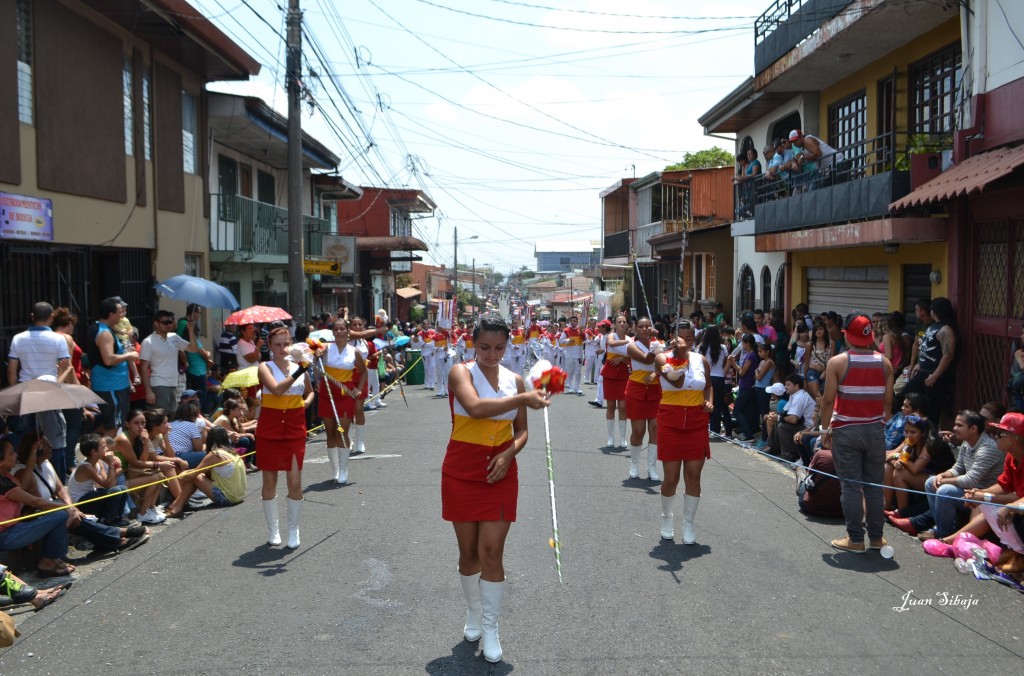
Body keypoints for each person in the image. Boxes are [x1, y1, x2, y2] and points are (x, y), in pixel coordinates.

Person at [442, 314, 549, 664]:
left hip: (501, 471)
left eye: (500, 347)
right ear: (473, 343)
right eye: (485, 347)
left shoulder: (515, 379)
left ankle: (491, 626)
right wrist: (524, 398)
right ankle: (473, 613)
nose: (492, 354)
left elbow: (522, 431)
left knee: (491, 552)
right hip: (461, 469)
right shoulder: (461, 372)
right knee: (468, 552)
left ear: (509, 345)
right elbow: (473, 408)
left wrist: (508, 452)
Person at [820, 314, 894, 554]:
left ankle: (855, 539)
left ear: (846, 335)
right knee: (874, 486)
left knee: (851, 487)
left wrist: (824, 430)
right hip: (875, 430)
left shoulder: (837, 362)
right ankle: (876, 538)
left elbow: (829, 400)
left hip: (846, 429)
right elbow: (888, 405)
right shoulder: (885, 363)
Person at [891, 410, 1005, 539]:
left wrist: (944, 481)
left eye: (959, 425)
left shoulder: (987, 449)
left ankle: (944, 534)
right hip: (968, 490)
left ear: (973, 428)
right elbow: (958, 467)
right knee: (931, 482)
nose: (954, 428)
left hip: (980, 494)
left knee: (945, 490)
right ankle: (937, 527)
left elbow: (970, 480)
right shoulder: (967, 442)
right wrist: (943, 475)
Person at [654, 321, 713, 544]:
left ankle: (689, 524)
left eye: (690, 339)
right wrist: (678, 355)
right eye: (681, 338)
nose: (686, 343)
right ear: (672, 337)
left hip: (697, 422)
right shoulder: (662, 358)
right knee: (671, 477)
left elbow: (707, 386)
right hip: (670, 421)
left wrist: (709, 402)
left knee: (693, 475)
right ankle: (666, 519)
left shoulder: (701, 360)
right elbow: (676, 382)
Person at [257, 326, 315, 548]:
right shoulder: (265, 367)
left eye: (286, 343)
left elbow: (309, 391)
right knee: (269, 481)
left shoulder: (299, 366)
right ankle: (273, 529)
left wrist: (306, 403)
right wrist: (300, 370)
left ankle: (294, 529)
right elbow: (277, 390)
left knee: (294, 480)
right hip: (269, 431)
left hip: (294, 430)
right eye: (278, 344)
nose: (283, 348)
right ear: (270, 346)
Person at [0, 437, 77, 577]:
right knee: (60, 514)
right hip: (6, 535)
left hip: (15, 527)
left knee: (60, 511)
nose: (15, 455)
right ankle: (48, 561)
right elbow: (35, 501)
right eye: (11, 453)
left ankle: (53, 558)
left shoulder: (7, 477)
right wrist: (67, 507)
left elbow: (23, 486)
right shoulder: (2, 484)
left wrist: (31, 461)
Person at [962, 413, 1024, 574]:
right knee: (988, 505)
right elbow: (1004, 485)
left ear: (1013, 439)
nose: (995, 437)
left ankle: (1021, 556)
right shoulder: (1011, 457)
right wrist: (980, 493)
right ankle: (1014, 552)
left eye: (1000, 434)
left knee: (1009, 511)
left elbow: (1019, 496)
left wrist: (989, 497)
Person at [6, 301, 72, 450]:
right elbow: (65, 367)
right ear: (52, 316)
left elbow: (11, 371)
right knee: (54, 439)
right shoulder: (58, 339)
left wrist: (14, 392)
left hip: (25, 389)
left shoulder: (18, 338)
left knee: (24, 436)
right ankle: (55, 470)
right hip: (48, 390)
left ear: (32, 316)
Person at [317, 319, 367, 485]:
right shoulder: (326, 348)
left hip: (345, 395)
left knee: (342, 431)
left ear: (347, 332)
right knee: (330, 433)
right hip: (327, 394)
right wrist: (314, 352)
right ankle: (335, 469)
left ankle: (344, 469)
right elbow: (313, 349)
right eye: (336, 329)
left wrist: (359, 389)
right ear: (333, 332)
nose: (339, 332)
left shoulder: (354, 351)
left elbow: (363, 371)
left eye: (342, 329)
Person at [164, 427, 247, 518]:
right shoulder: (232, 452)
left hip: (228, 498)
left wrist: (181, 475)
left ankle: (176, 508)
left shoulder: (215, 454)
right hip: (239, 496)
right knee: (199, 476)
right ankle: (176, 506)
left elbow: (193, 475)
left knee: (195, 477)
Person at [905, 297, 957, 427]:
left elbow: (948, 355)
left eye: (932, 308)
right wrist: (918, 364)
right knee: (909, 396)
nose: (930, 311)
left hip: (934, 375)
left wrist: (935, 375)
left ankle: (930, 438)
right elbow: (924, 347)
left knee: (932, 409)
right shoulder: (933, 325)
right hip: (923, 371)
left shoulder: (946, 329)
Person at [113, 409, 170, 525]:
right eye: (136, 423)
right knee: (157, 476)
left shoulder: (139, 436)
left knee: (159, 475)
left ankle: (150, 508)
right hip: (116, 479)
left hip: (126, 473)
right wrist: (159, 464)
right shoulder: (123, 439)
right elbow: (135, 463)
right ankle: (143, 513)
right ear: (127, 424)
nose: (140, 426)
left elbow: (143, 459)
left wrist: (145, 443)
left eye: (143, 423)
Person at [139, 310, 198, 414]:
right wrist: (148, 391)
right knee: (160, 418)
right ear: (156, 324)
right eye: (165, 322)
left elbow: (193, 348)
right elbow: (143, 368)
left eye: (170, 322)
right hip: (159, 385)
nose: (169, 325)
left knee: (171, 417)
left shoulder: (174, 337)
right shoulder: (148, 342)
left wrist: (191, 330)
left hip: (173, 384)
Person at [625, 318, 662, 481]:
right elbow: (648, 359)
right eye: (641, 327)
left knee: (655, 429)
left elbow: (665, 363)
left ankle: (651, 467)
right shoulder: (631, 346)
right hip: (636, 389)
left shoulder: (658, 344)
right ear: (635, 329)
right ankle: (634, 464)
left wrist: (659, 341)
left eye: (648, 326)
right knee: (638, 431)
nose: (645, 329)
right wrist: (656, 344)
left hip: (655, 390)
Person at [67, 434, 131, 527]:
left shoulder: (98, 462)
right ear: (94, 452)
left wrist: (115, 468)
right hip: (80, 502)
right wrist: (111, 465)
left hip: (91, 496)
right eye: (103, 447)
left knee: (122, 488)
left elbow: (109, 482)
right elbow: (108, 485)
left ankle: (117, 518)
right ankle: (106, 521)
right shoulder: (86, 467)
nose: (107, 449)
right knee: (115, 491)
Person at [177, 304, 215, 412]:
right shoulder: (183, 323)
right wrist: (204, 355)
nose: (199, 315)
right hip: (193, 366)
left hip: (200, 366)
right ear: (192, 312)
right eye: (198, 312)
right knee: (199, 394)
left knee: (201, 393)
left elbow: (197, 343)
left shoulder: (192, 325)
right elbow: (181, 344)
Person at [601, 316, 631, 448]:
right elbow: (612, 344)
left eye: (624, 322)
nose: (622, 324)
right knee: (611, 406)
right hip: (610, 374)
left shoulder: (631, 340)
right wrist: (626, 343)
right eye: (619, 322)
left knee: (623, 407)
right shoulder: (611, 336)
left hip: (624, 374)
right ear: (614, 325)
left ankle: (623, 438)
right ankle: (611, 437)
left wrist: (621, 359)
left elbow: (631, 359)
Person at [774, 374, 817, 463]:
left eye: (788, 385)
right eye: (785, 384)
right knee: (776, 420)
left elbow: (793, 419)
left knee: (782, 426)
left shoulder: (799, 397)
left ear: (796, 386)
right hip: (803, 424)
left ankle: (792, 453)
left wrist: (779, 417)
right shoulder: (793, 395)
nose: (785, 387)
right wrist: (777, 416)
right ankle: (773, 448)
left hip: (809, 427)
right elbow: (785, 411)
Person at [699, 325, 731, 437]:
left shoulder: (702, 347)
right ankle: (715, 430)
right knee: (717, 404)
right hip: (719, 378)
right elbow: (724, 363)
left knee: (705, 402)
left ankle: (704, 427)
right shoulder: (723, 348)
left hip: (705, 377)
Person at [558, 315, 584, 395]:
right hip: (569, 354)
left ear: (577, 322)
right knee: (570, 371)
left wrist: (582, 333)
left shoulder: (581, 330)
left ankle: (577, 387)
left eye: (574, 321)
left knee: (578, 371)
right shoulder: (566, 330)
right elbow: (560, 341)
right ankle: (571, 387)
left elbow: (585, 339)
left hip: (578, 354)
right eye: (571, 321)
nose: (573, 323)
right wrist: (568, 340)